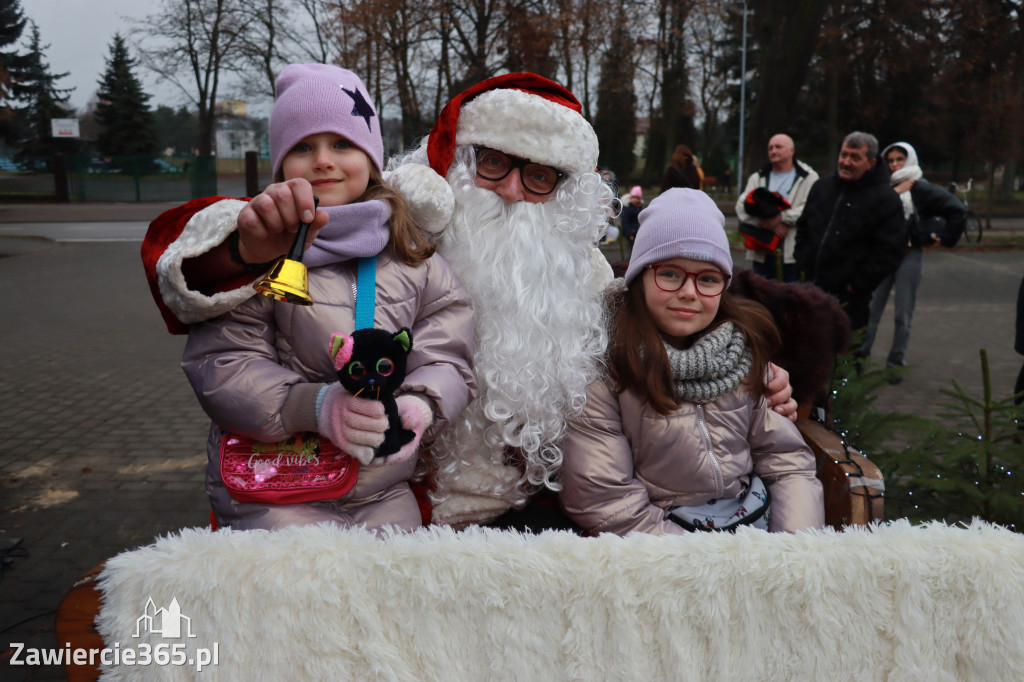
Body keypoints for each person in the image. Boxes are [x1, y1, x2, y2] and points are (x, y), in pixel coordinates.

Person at [142, 73, 799, 532]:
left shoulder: (587, 279)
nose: (512, 190)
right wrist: (244, 255)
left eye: (538, 176)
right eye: (493, 164)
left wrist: (751, 379)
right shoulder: (414, 241)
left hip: (548, 510)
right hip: (410, 504)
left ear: (563, 192)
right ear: (458, 167)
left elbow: (674, 336)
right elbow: (208, 263)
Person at [155, 64, 476, 532]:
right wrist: (316, 406)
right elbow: (223, 364)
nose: (323, 160)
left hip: (384, 487)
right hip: (275, 488)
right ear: (280, 164)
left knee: (395, 578)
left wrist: (421, 403)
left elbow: (448, 351)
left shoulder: (413, 256)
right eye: (303, 147)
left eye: (342, 144)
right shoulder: (261, 253)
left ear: (371, 157)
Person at [559, 189, 825, 536]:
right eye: (670, 274)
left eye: (708, 278)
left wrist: (794, 546)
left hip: (754, 530)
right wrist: (699, 561)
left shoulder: (740, 355)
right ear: (640, 278)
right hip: (663, 541)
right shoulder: (606, 369)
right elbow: (606, 499)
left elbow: (787, 462)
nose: (689, 292)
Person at [861, 142, 966, 374]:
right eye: (890, 160)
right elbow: (868, 210)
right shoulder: (882, 186)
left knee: (902, 314)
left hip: (909, 255)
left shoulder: (920, 187)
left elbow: (956, 209)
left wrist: (946, 238)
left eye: (899, 159)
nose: (895, 164)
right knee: (870, 311)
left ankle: (895, 364)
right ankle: (859, 361)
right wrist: (895, 192)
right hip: (881, 257)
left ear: (909, 160)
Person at [794, 131, 906, 335]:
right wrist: (802, 262)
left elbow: (890, 251)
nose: (846, 162)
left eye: (855, 157)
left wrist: (857, 285)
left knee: (844, 350)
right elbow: (804, 227)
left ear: (871, 163)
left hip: (849, 302)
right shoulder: (822, 187)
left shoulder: (886, 199)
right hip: (810, 290)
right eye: (844, 155)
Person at [735, 134, 819, 282]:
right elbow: (740, 208)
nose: (773, 151)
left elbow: (811, 209)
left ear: (792, 151)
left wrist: (782, 218)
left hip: (794, 256)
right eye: (770, 148)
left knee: (791, 295)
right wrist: (766, 224)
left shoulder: (808, 178)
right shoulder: (758, 178)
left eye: (778, 147)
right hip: (762, 254)